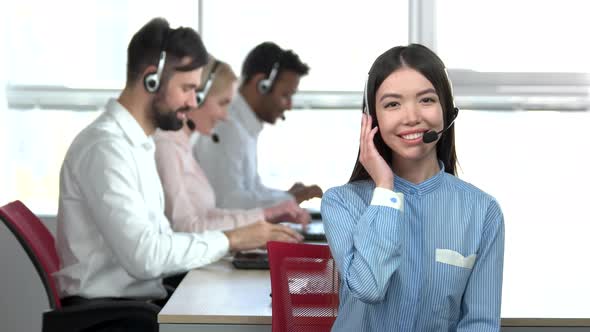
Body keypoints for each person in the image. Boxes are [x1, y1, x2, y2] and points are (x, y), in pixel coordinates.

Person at [54, 18, 303, 325]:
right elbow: (146, 257)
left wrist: (238, 236)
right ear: (151, 80)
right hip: (114, 317)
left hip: (140, 301)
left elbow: (161, 242)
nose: (191, 102)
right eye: (187, 88)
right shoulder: (106, 149)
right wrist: (233, 239)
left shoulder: (138, 144)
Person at [321, 44, 505, 331]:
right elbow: (369, 288)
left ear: (447, 109)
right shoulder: (341, 203)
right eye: (392, 104)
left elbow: (480, 322)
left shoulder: (482, 211)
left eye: (426, 100)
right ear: (372, 118)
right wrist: (385, 188)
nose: (411, 117)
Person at [154, 56, 310, 234]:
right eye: (222, 103)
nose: (226, 117)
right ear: (195, 98)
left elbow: (206, 214)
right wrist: (264, 216)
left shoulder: (183, 146)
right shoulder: (167, 147)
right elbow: (185, 226)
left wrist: (268, 214)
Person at [194, 42, 323, 210]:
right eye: (285, 95)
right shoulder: (227, 127)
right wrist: (288, 199)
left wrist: (287, 196)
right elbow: (229, 202)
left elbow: (253, 190)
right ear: (261, 85)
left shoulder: (244, 128)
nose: (289, 105)